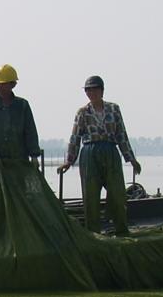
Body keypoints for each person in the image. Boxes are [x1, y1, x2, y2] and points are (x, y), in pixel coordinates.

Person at [57, 75, 141, 237]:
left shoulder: (113, 109)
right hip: (89, 154)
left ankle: (121, 230)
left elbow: (121, 135)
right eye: (88, 90)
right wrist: (69, 161)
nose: (91, 93)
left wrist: (131, 158)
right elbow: (75, 138)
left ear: (102, 91)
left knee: (118, 194)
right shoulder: (82, 112)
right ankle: (93, 234)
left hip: (110, 151)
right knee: (91, 197)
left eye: (95, 89)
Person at [0, 64, 42, 199]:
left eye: (3, 84)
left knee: (19, 197)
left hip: (17, 162)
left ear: (12, 85)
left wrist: (34, 155)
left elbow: (30, 131)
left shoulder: (22, 105)